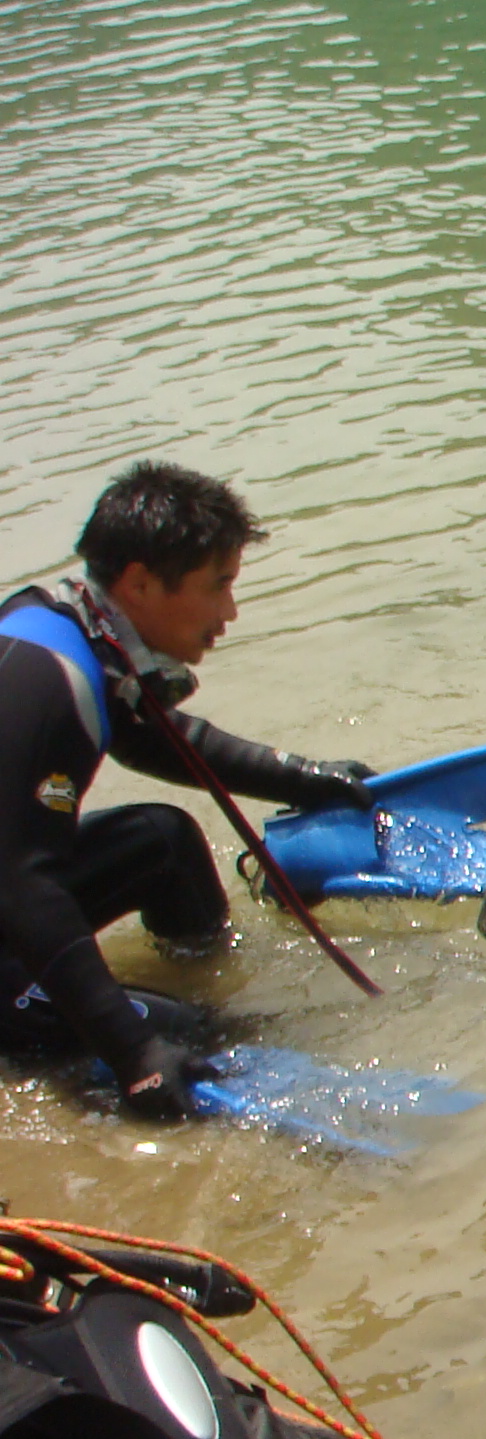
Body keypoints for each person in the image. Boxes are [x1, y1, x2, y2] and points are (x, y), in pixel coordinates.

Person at [0, 464, 374, 1116]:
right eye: (218, 585)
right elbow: (23, 888)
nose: (230, 611)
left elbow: (160, 739)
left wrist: (307, 777)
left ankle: (202, 980)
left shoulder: (66, 628)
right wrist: (135, 1054)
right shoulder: (49, 684)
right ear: (139, 583)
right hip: (11, 898)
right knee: (192, 1037)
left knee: (163, 841)